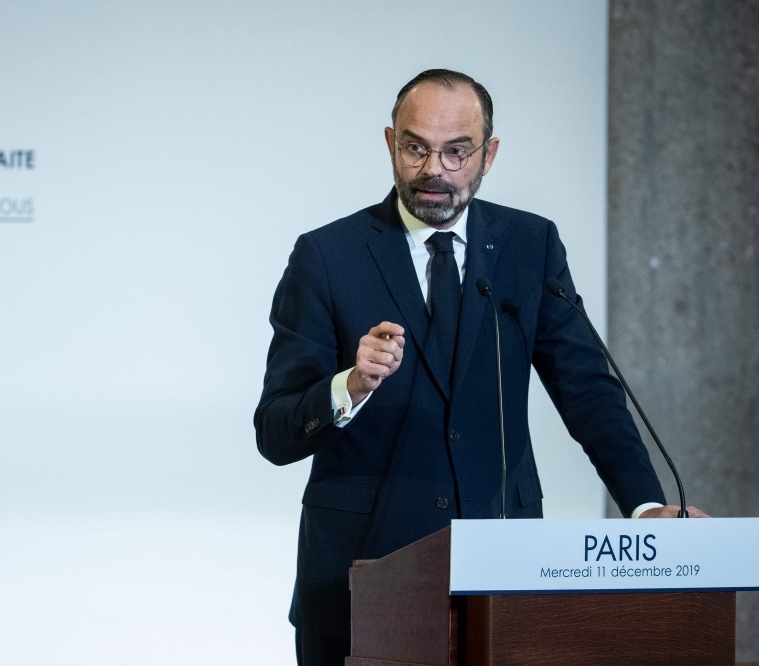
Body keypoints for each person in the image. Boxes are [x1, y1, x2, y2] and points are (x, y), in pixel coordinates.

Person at [253, 69, 706, 666]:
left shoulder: (529, 244)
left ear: (488, 155)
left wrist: (645, 508)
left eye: (456, 151)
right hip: (361, 581)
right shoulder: (327, 256)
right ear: (391, 143)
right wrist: (350, 386)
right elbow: (275, 432)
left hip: (504, 579)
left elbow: (587, 390)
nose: (433, 170)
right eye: (416, 147)